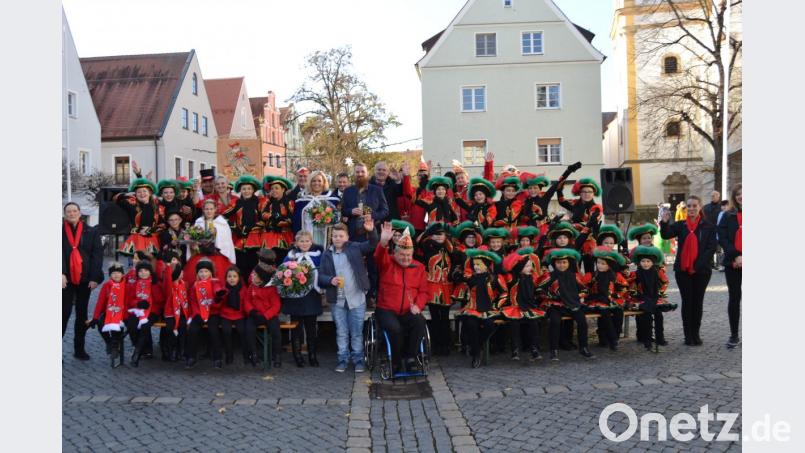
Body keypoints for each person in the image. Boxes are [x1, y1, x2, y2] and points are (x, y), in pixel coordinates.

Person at [318, 219, 378, 373]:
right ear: (332, 237)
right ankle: (342, 359)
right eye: (335, 236)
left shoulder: (355, 248)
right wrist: (330, 280)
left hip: (356, 298)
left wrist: (371, 231)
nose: (337, 238)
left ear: (347, 237)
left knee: (357, 331)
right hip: (337, 300)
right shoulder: (327, 254)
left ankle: (358, 360)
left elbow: (372, 244)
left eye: (341, 236)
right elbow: (321, 277)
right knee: (342, 331)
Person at [660, 195, 717, 346]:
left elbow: (711, 248)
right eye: (689, 206)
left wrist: (697, 265)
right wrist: (664, 222)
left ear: (700, 207)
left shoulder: (707, 226)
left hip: (701, 270)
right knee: (687, 302)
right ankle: (688, 336)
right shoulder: (680, 225)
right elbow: (665, 234)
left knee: (698, 302)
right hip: (683, 271)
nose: (691, 209)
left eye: (694, 206)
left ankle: (695, 334)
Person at [374, 222, 430, 374]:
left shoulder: (419, 267)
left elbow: (424, 292)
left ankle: (411, 358)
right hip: (387, 309)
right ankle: (396, 360)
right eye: (402, 255)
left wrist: (418, 305)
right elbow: (379, 256)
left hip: (408, 310)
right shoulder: (388, 262)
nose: (406, 259)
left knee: (420, 321)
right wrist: (383, 242)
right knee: (394, 328)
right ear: (395, 253)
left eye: (409, 256)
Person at [62, 202, 104, 360]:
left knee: (81, 314)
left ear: (79, 213)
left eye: (74, 211)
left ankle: (79, 349)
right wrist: (61, 273)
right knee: (63, 314)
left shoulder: (91, 231)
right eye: (68, 211)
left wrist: (94, 278)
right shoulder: (59, 231)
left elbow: (97, 255)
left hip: (84, 278)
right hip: (65, 279)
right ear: (65, 214)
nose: (72, 213)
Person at [537, 248, 594, 361]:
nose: (562, 265)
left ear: (569, 263)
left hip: (573, 304)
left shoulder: (575, 276)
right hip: (555, 305)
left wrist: (578, 296)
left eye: (564, 262)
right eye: (559, 262)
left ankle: (583, 347)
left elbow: (585, 290)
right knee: (555, 321)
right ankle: (554, 349)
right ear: (554, 264)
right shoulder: (549, 276)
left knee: (582, 321)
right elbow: (539, 290)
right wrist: (550, 296)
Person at [456, 249, 506, 368]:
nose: (476, 267)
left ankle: (477, 346)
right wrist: (457, 272)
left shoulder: (494, 278)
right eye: (474, 264)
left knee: (490, 325)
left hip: (489, 310)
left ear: (486, 266)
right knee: (471, 325)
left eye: (478, 264)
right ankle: (476, 354)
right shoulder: (471, 278)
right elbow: (457, 279)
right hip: (473, 309)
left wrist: (496, 305)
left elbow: (504, 293)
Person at [282, 230, 325, 367]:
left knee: (311, 327)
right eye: (301, 241)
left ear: (311, 242)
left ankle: (312, 355)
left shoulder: (318, 256)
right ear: (296, 243)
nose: (304, 243)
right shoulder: (290, 256)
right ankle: (298, 356)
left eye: (307, 241)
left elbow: (323, 271)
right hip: (296, 297)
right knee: (296, 328)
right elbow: (283, 272)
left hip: (312, 295)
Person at [499, 248, 545, 361]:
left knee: (534, 323)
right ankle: (515, 349)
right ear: (520, 267)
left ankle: (534, 348)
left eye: (530, 265)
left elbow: (537, 289)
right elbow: (504, 272)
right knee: (514, 324)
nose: (530, 268)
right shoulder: (513, 278)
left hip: (529, 306)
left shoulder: (531, 277)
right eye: (528, 266)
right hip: (514, 306)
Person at [416, 222, 455, 356]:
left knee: (444, 318)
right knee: (435, 317)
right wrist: (429, 231)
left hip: (446, 286)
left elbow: (457, 256)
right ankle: (436, 345)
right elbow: (419, 241)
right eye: (436, 234)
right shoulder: (428, 246)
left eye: (441, 234)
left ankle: (446, 344)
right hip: (432, 285)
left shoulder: (450, 247)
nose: (439, 237)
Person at [629, 246, 677, 350]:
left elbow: (665, 282)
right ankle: (647, 340)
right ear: (639, 262)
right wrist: (634, 293)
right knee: (646, 318)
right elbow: (631, 286)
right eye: (643, 261)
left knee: (659, 316)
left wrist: (660, 292)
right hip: (642, 298)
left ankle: (660, 338)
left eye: (648, 261)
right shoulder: (636, 273)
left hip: (655, 298)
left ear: (653, 262)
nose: (645, 263)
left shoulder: (657, 272)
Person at [583, 247, 629, 351]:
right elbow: (584, 288)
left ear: (610, 265)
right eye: (598, 263)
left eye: (603, 264)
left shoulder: (615, 276)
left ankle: (616, 337)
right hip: (596, 300)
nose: (600, 265)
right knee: (605, 314)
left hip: (611, 300)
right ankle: (611, 340)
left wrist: (616, 296)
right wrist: (587, 295)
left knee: (619, 312)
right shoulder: (593, 275)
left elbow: (624, 288)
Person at [186, 259, 226, 369]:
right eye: (201, 272)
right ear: (197, 273)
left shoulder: (215, 282)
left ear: (211, 272)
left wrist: (217, 298)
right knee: (192, 330)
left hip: (213, 312)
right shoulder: (195, 285)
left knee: (214, 331)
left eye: (206, 271)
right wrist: (197, 314)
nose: (203, 274)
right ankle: (191, 357)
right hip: (199, 313)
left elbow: (219, 298)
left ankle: (217, 358)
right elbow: (193, 302)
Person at [222, 175, 266, 277]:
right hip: (240, 238)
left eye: (249, 189)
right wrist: (235, 227)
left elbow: (264, 220)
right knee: (241, 266)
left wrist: (252, 228)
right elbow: (223, 216)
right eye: (244, 189)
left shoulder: (260, 202)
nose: (246, 191)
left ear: (253, 190)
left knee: (254, 266)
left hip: (256, 239)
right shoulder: (236, 202)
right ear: (240, 190)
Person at [557, 177, 603, 273]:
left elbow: (591, 222)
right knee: (573, 269)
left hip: (588, 241)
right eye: (584, 192)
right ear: (579, 193)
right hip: (575, 241)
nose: (587, 194)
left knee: (589, 270)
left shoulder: (596, 207)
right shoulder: (574, 203)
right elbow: (561, 200)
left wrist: (572, 224)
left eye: (590, 192)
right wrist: (560, 186)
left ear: (594, 193)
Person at [124, 260, 165, 367]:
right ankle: (144, 349)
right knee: (131, 325)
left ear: (150, 272)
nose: (143, 273)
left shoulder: (155, 283)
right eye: (141, 271)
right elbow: (130, 300)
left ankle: (136, 354)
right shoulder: (134, 284)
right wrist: (138, 303)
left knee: (145, 327)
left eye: (146, 270)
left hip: (152, 311)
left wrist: (155, 286)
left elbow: (160, 300)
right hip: (137, 310)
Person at [87, 263, 127, 366]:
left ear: (122, 274)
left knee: (116, 327)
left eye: (118, 272)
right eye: (113, 273)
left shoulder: (126, 285)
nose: (116, 275)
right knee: (100, 323)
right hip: (109, 311)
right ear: (110, 275)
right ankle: (109, 343)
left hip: (122, 313)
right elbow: (100, 302)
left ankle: (115, 346)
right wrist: (95, 317)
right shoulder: (107, 285)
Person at [245, 262, 283, 368]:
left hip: (268, 315)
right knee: (249, 330)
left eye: (255, 275)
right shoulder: (252, 286)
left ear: (262, 278)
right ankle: (253, 354)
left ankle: (277, 355)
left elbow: (276, 305)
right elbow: (246, 300)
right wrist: (251, 311)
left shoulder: (271, 288)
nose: (252, 276)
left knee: (276, 331)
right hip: (255, 314)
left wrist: (266, 316)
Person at [718, 183, 742, 348]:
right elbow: (723, 237)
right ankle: (734, 335)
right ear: (734, 197)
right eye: (738, 194)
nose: (741, 196)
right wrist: (737, 255)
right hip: (733, 262)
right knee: (734, 298)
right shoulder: (727, 216)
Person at [341, 162, 390, 242]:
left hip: (372, 234)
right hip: (353, 235)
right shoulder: (347, 191)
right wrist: (351, 211)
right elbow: (343, 210)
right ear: (354, 174)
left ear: (367, 173)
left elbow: (385, 211)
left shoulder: (377, 190)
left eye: (363, 172)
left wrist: (372, 215)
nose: (360, 174)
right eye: (357, 172)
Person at [115, 178, 163, 255]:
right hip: (136, 240)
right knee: (137, 263)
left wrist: (152, 230)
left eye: (144, 191)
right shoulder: (131, 205)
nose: (142, 194)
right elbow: (115, 198)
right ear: (135, 194)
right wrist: (126, 194)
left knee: (151, 264)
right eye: (138, 192)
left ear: (150, 193)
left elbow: (162, 224)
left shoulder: (157, 206)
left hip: (152, 240)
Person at [295, 170, 339, 246]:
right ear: (310, 182)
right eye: (314, 181)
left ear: (324, 182)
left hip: (324, 234)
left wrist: (326, 218)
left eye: (319, 181)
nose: (316, 183)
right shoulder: (301, 200)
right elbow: (296, 220)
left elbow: (336, 219)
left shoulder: (332, 199)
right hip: (306, 233)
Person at [218, 266, 250, 366]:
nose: (232, 278)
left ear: (239, 278)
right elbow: (219, 304)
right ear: (226, 278)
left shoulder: (243, 289)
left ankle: (246, 355)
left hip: (239, 314)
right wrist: (219, 297)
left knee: (242, 331)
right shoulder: (223, 288)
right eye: (229, 276)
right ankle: (229, 354)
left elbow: (246, 303)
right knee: (226, 331)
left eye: (234, 276)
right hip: (226, 315)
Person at [261, 176, 295, 256]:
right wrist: (272, 216)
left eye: (276, 188)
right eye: (272, 189)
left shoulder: (289, 202)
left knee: (283, 258)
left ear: (283, 190)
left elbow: (290, 219)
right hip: (269, 235)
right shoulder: (269, 203)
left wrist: (279, 221)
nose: (274, 191)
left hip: (284, 235)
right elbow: (263, 215)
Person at [194, 199, 236, 264]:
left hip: (218, 254)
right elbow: (194, 238)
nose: (209, 211)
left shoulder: (222, 223)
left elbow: (226, 241)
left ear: (215, 209)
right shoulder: (199, 222)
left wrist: (216, 232)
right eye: (207, 209)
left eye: (211, 209)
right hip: (202, 253)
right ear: (203, 210)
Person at [163, 261, 189, 362]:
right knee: (170, 330)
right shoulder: (170, 286)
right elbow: (168, 279)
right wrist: (169, 267)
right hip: (171, 313)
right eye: (181, 271)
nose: (183, 273)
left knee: (183, 329)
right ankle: (172, 350)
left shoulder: (183, 284)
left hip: (181, 312)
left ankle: (181, 351)